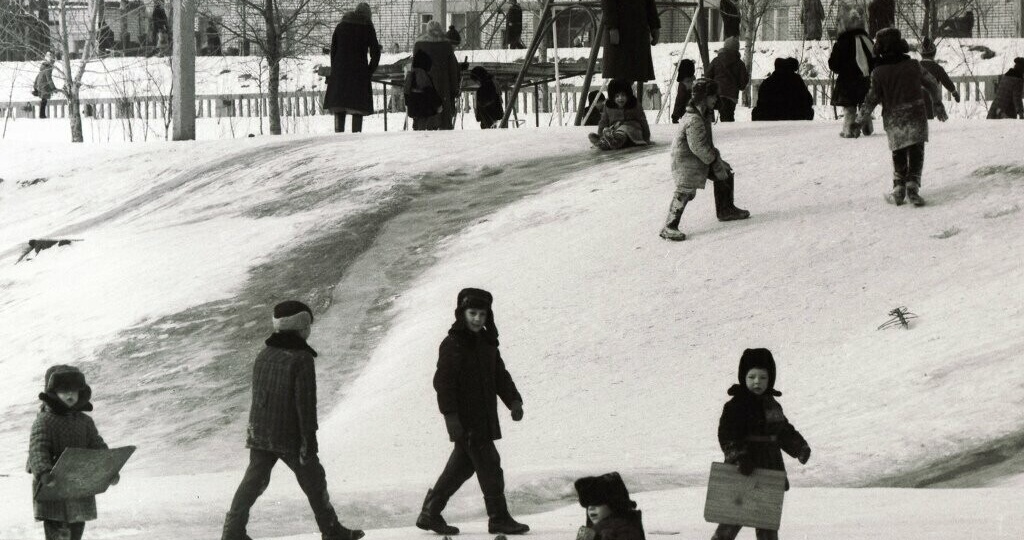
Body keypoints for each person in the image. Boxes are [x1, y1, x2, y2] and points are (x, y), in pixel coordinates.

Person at [221, 301, 364, 540]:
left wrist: (257, 431)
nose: (310, 329)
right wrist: (309, 441)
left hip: (260, 430)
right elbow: (305, 404)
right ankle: (331, 530)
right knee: (314, 479)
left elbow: (259, 397)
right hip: (289, 434)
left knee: (254, 480)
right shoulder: (301, 359)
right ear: (300, 326)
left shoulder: (264, 354)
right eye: (307, 324)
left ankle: (232, 531)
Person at [416, 288, 529, 535]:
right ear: (461, 313)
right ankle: (498, 518)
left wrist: (514, 401)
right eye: (472, 313)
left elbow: (500, 376)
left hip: (484, 418)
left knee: (461, 468)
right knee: (490, 466)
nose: (478, 319)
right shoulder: (453, 344)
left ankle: (429, 513)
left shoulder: (487, 343)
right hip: (467, 422)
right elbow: (443, 384)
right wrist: (451, 418)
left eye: (482, 313)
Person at [709, 348, 811, 540]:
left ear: (770, 379)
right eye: (752, 376)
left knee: (767, 523)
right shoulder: (735, 406)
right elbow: (728, 435)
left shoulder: (772, 404)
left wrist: (799, 447)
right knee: (732, 518)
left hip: (769, 470)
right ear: (743, 377)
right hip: (743, 470)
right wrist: (739, 456)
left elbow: (782, 430)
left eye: (763, 377)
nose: (757, 382)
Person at [858, 28, 947, 207]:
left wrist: (860, 120)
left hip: (894, 119)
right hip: (916, 115)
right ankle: (913, 188)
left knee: (898, 153)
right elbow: (932, 84)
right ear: (901, 45)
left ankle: (899, 189)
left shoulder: (879, 73)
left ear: (880, 48)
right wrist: (937, 103)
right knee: (916, 152)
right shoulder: (914, 65)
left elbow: (871, 98)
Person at [28, 365, 117, 540]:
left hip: (78, 486)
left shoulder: (85, 422)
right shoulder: (44, 421)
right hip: (53, 487)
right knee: (58, 532)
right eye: (64, 391)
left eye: (74, 391)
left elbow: (97, 446)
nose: (70, 395)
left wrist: (109, 469)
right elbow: (38, 449)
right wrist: (44, 472)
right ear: (53, 393)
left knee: (76, 529)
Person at [661, 79, 749, 241]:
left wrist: (716, 160)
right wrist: (714, 158)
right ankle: (669, 225)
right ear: (703, 97)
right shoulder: (693, 119)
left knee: (725, 171)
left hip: (700, 158)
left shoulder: (704, 113)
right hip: (686, 162)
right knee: (685, 192)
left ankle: (725, 209)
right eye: (712, 96)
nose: (715, 99)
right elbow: (698, 147)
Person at [324, 2, 382, 133]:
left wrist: (336, 69)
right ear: (368, 15)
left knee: (340, 106)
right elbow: (375, 53)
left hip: (340, 73)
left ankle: (339, 135)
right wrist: (369, 71)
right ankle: (356, 138)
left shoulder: (341, 26)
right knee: (357, 109)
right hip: (359, 74)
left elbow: (333, 51)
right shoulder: (367, 27)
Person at [828, 7, 874, 138]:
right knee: (864, 104)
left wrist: (843, 69)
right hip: (865, 79)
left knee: (849, 107)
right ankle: (867, 127)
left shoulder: (842, 42)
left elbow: (833, 64)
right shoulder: (867, 40)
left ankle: (848, 130)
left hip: (847, 81)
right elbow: (875, 59)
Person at [600, 0, 660, 88]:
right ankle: (618, 96)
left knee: (633, 73)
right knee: (620, 73)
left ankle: (627, 97)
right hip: (621, 31)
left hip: (638, 31)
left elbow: (650, 3)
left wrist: (654, 26)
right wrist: (612, 26)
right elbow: (608, 4)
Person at [413, 20, 460, 130]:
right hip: (442, 87)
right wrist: (454, 89)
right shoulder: (446, 45)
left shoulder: (419, 45)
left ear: (427, 30)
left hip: (424, 86)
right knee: (442, 121)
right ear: (440, 30)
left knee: (425, 120)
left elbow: (415, 70)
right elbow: (452, 70)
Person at [574, 473, 644, 540]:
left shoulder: (624, 532)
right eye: (587, 505)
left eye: (598, 503)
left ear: (613, 504)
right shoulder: (598, 532)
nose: (591, 508)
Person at [588, 79, 651, 150]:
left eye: (623, 95)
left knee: (624, 128)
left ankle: (614, 140)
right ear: (612, 97)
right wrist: (600, 134)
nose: (620, 98)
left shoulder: (634, 105)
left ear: (628, 95)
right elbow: (603, 121)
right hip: (615, 130)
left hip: (633, 132)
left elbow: (643, 121)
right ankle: (604, 142)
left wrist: (646, 138)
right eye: (617, 96)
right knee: (610, 130)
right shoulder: (609, 106)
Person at [705, 36, 749, 122]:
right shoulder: (740, 64)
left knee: (720, 115)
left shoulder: (716, 61)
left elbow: (708, 76)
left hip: (718, 94)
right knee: (728, 117)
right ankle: (728, 132)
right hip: (731, 96)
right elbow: (743, 83)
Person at [918, 37, 959, 120]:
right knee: (929, 121)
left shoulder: (916, 66)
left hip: (916, 98)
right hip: (931, 98)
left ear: (921, 54)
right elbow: (946, 81)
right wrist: (954, 92)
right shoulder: (937, 68)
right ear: (934, 54)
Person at [670, 58, 696, 124]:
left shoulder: (683, 84)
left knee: (681, 98)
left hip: (686, 114)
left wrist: (675, 115)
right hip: (692, 114)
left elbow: (680, 100)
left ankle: (677, 116)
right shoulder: (693, 81)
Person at [33, 52, 56, 119]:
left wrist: (35, 85)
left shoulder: (43, 66)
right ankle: (42, 115)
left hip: (40, 84)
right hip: (44, 85)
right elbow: (49, 78)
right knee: (44, 100)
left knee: (44, 100)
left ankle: (42, 115)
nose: (54, 62)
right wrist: (53, 88)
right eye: (53, 60)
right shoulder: (48, 67)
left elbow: (38, 75)